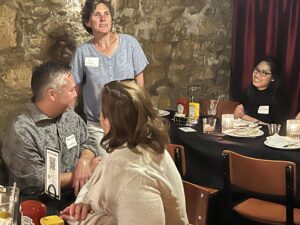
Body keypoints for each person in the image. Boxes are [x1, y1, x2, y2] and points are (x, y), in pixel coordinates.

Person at [60, 81, 188, 225]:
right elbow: (94, 182)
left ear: (107, 120)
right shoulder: (132, 145)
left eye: (102, 112)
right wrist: (83, 203)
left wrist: (83, 220)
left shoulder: (134, 175)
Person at [1, 62, 100, 214]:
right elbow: (35, 180)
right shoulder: (22, 129)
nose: (76, 94)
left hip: (77, 201)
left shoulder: (70, 115)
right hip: (38, 209)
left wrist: (85, 161)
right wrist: (82, 174)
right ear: (52, 94)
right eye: (72, 90)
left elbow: (88, 141)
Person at [70, 0, 149, 156]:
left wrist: (141, 116)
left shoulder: (130, 44)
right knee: (109, 168)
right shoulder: (83, 52)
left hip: (129, 123)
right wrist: (70, 122)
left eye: (106, 14)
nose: (103, 18)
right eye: (97, 15)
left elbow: (140, 87)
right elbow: (73, 92)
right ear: (88, 22)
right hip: (98, 127)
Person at [234, 57, 289, 124]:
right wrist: (236, 115)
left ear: (273, 78)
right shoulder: (247, 93)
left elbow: (279, 128)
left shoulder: (279, 98)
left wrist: (248, 118)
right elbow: (238, 118)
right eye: (256, 70)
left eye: (264, 73)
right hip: (245, 133)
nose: (257, 75)